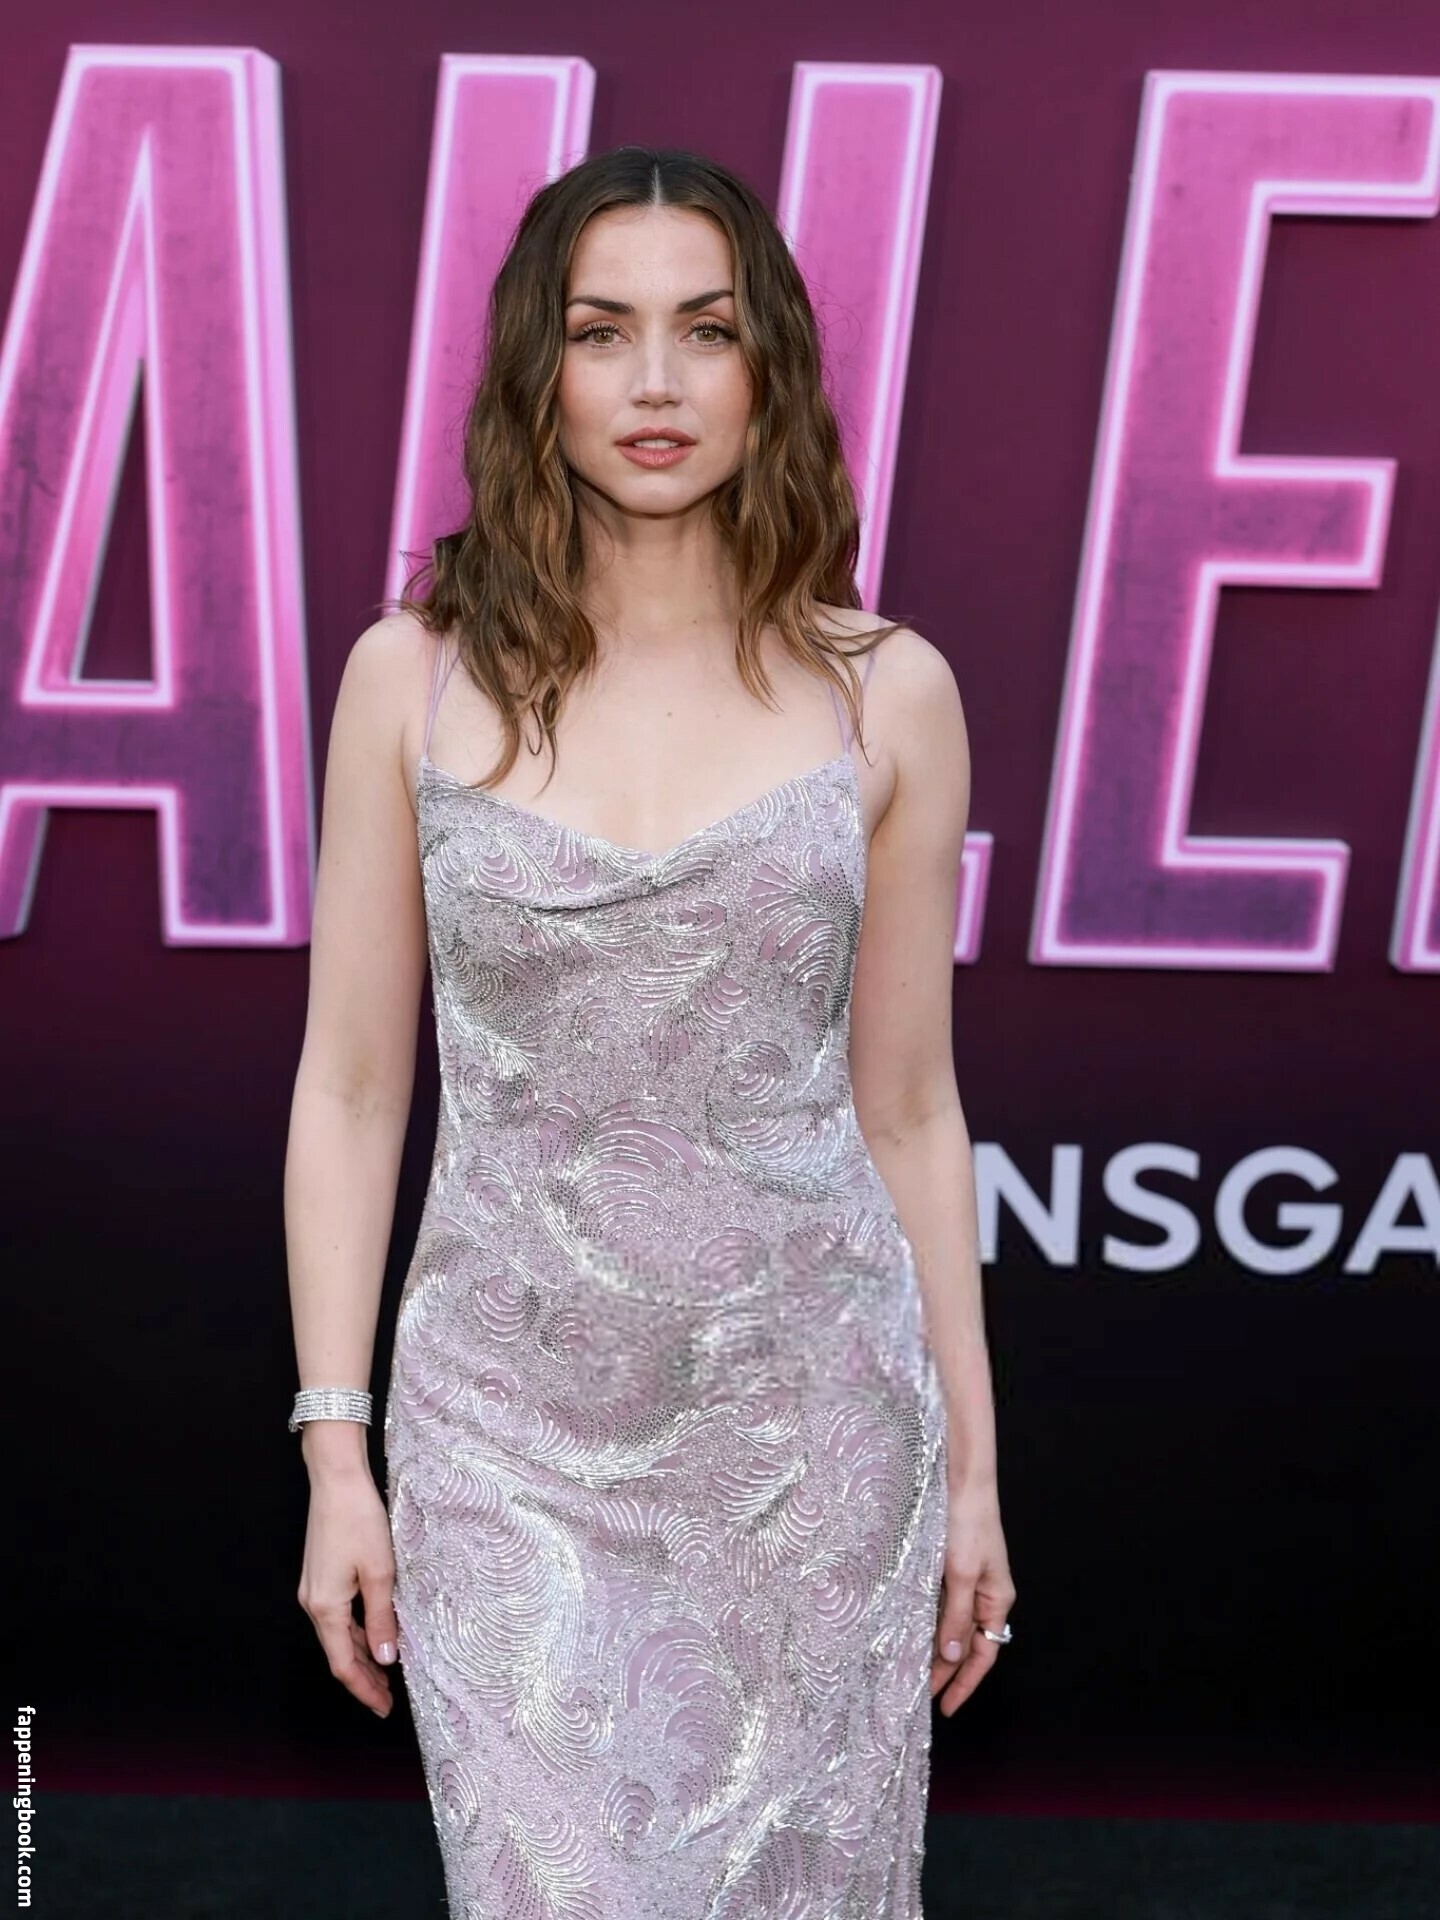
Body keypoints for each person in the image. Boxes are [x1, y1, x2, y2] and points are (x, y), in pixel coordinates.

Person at [284, 144, 1015, 1918]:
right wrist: (336, 1449)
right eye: (604, 333)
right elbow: (356, 1090)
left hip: (810, 1443)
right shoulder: (410, 678)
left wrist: (974, 1477)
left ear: (772, 369)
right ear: (540, 373)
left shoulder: (888, 692)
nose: (659, 382)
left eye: (708, 329)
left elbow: (912, 1113)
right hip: (503, 1441)